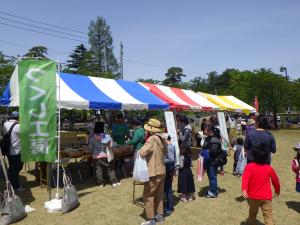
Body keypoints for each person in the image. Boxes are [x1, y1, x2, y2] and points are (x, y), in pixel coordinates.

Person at [242, 145, 280, 225]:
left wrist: (244, 189)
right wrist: (277, 190)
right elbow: (276, 181)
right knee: (268, 216)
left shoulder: (249, 167)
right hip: (266, 197)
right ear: (266, 157)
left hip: (253, 196)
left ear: (253, 156)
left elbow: (245, 179)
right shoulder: (268, 168)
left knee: (252, 214)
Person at [139, 119, 167, 225]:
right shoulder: (162, 138)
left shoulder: (151, 139)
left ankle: (151, 220)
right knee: (159, 195)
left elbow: (142, 152)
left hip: (153, 172)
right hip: (161, 170)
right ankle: (160, 217)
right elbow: (166, 151)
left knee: (148, 195)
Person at [89, 122, 120, 188]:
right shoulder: (106, 136)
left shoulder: (92, 138)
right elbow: (111, 145)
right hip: (106, 155)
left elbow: (90, 148)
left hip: (96, 156)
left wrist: (93, 152)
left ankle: (101, 184)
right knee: (110, 169)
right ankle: (114, 182)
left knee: (98, 170)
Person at [2, 111, 24, 191]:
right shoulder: (19, 126)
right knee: (16, 168)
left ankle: (10, 180)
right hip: (16, 151)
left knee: (11, 167)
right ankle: (15, 187)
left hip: (7, 150)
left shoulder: (5, 124)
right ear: (18, 118)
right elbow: (25, 135)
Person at [202, 123, 222, 198]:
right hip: (210, 161)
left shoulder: (214, 139)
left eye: (205, 129)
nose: (204, 131)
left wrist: (205, 151)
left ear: (209, 130)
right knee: (211, 176)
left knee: (212, 176)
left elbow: (214, 152)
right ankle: (214, 189)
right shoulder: (209, 138)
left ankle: (212, 192)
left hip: (212, 161)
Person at [163, 136, 176, 216]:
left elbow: (171, 160)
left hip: (168, 170)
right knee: (167, 188)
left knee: (168, 189)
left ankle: (170, 207)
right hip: (168, 170)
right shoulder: (169, 146)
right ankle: (168, 205)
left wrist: (162, 159)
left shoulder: (170, 147)